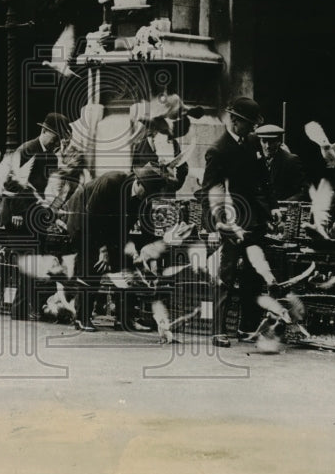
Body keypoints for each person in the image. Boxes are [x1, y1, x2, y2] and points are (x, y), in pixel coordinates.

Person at [198, 97, 274, 348]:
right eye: (248, 124)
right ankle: (218, 330)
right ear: (234, 120)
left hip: (253, 221)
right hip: (229, 223)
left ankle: (246, 327)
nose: (252, 129)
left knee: (253, 276)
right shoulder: (218, 150)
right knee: (225, 276)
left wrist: (270, 211)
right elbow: (208, 191)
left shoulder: (252, 142)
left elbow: (262, 181)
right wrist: (213, 227)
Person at [63, 164, 169, 331]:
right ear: (138, 183)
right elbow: (93, 216)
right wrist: (103, 250)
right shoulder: (112, 182)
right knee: (92, 265)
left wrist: (142, 254)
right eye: (147, 192)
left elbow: (142, 230)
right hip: (84, 221)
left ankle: (124, 319)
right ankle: (82, 318)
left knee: (126, 266)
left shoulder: (144, 199)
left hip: (110, 228)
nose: (148, 197)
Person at [2, 112, 71, 231]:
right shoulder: (26, 150)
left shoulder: (52, 158)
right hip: (17, 214)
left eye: (59, 140)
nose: (56, 144)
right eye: (55, 138)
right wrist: (16, 212)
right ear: (44, 131)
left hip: (36, 212)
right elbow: (11, 182)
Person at [131, 115, 189, 193]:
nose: (149, 130)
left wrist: (176, 183)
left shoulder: (172, 144)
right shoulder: (140, 145)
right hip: (147, 194)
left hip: (166, 192)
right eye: (147, 126)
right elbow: (134, 169)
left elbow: (183, 167)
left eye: (153, 127)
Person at [254, 124, 308, 206]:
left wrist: (283, 204)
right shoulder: (255, 159)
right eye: (264, 141)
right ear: (260, 141)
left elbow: (303, 191)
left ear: (279, 142)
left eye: (271, 142)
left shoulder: (290, 160)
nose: (267, 146)